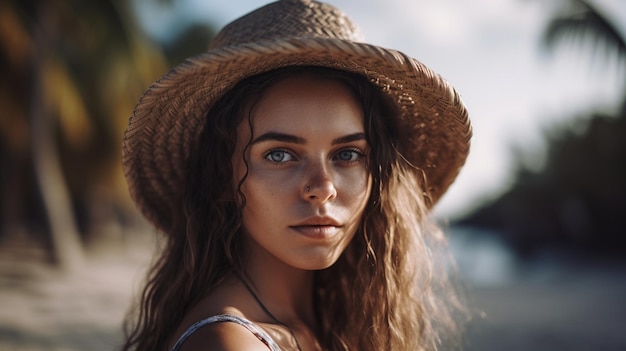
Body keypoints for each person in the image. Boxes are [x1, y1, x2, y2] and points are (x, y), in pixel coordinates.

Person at [121, 0, 471, 350]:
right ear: (222, 178)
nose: (322, 188)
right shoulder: (228, 344)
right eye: (280, 154)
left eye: (347, 154)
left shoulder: (326, 323)